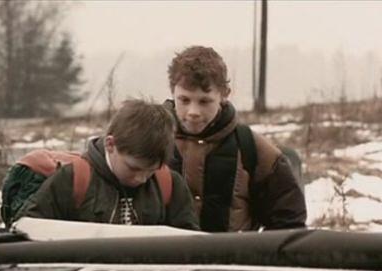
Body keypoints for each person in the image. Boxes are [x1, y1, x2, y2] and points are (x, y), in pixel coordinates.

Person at [164, 45, 306, 232]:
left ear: (224, 94)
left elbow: (289, 222)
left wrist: (258, 250)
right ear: (172, 92)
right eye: (184, 100)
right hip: (161, 252)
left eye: (204, 101)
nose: (193, 112)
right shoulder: (150, 141)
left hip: (233, 251)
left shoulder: (252, 148)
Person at [17, 99, 199, 229]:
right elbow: (29, 227)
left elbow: (188, 243)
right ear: (110, 144)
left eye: (151, 170)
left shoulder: (170, 184)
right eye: (133, 168)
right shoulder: (73, 179)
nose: (142, 179)